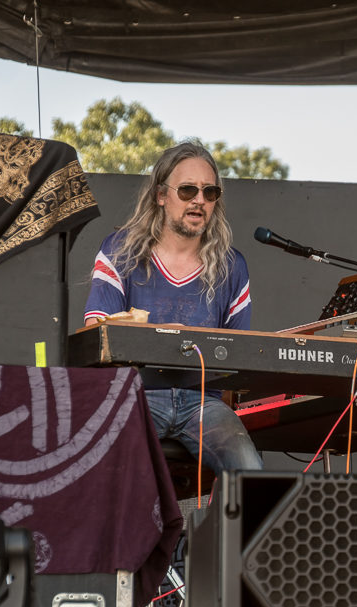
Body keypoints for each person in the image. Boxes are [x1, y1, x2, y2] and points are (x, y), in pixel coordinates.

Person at [84, 141, 263, 475]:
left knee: (250, 469)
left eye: (210, 192)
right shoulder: (120, 250)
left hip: (203, 404)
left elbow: (239, 353)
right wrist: (164, 339)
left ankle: (227, 529)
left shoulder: (232, 266)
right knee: (105, 466)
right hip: (137, 396)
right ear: (160, 195)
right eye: (187, 190)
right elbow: (99, 330)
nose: (199, 200)